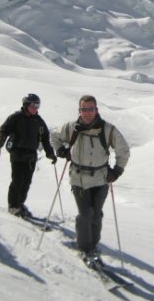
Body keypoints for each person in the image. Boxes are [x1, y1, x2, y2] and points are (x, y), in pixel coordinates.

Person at [51, 95, 130, 267]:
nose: (87, 113)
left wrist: (116, 171)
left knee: (97, 214)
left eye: (90, 109)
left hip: (101, 179)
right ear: (79, 111)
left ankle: (93, 245)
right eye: (83, 109)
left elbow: (123, 150)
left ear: (96, 110)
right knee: (85, 214)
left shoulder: (108, 129)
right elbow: (54, 136)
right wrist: (61, 151)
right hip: (78, 178)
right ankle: (85, 248)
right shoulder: (71, 128)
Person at [0, 93, 57, 218]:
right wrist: (1, 139)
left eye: (37, 105)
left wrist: (50, 153)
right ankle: (13, 205)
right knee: (17, 181)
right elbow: (4, 129)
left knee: (26, 182)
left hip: (31, 156)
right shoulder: (16, 117)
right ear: (26, 104)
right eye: (33, 105)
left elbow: (45, 138)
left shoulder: (38, 121)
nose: (35, 108)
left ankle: (20, 204)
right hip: (17, 153)